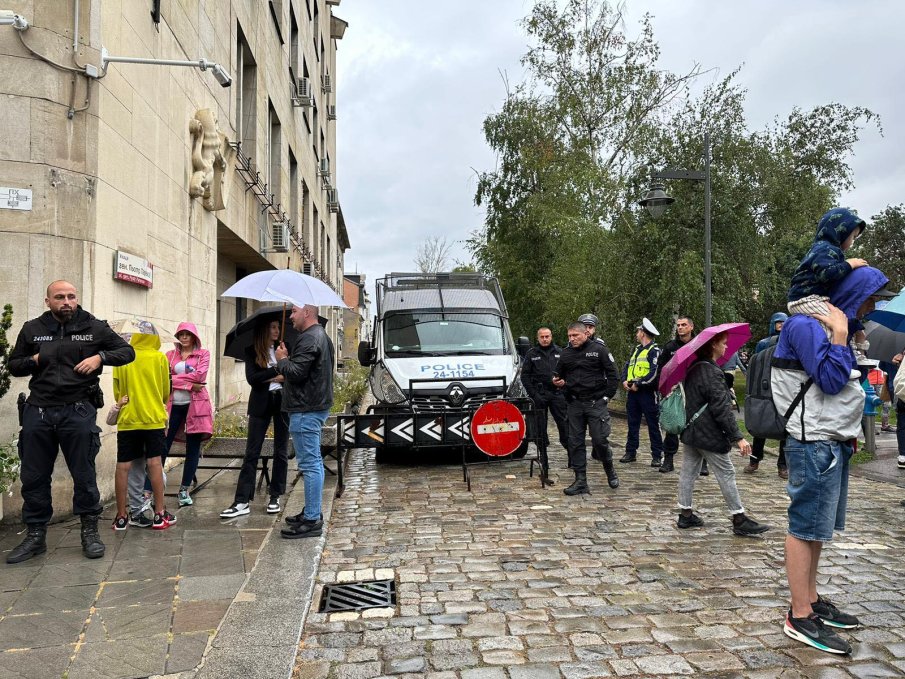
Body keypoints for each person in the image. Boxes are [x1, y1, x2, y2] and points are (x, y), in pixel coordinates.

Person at [774, 266, 895, 654]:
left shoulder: (828, 325)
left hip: (830, 439)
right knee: (804, 525)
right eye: (868, 295)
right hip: (813, 442)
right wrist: (841, 335)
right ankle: (800, 614)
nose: (872, 304)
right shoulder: (808, 326)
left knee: (818, 528)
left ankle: (811, 600)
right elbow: (828, 379)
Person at [6, 281, 135, 564]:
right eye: (60, 297)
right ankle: (35, 535)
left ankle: (89, 531)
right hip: (39, 410)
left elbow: (127, 353)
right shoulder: (33, 329)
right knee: (34, 476)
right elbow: (13, 365)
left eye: (71, 297)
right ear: (48, 301)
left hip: (77, 410)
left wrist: (99, 357)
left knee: (84, 474)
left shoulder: (94, 326)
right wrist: (35, 360)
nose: (67, 301)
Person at [675, 330, 769, 537]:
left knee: (688, 472)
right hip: (709, 433)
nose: (726, 347)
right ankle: (739, 518)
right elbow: (720, 410)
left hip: (692, 430)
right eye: (724, 344)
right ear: (713, 345)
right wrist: (738, 437)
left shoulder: (693, 368)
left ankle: (685, 513)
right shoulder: (712, 372)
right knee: (726, 472)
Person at [220, 320, 291, 518]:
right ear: (264, 328)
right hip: (261, 403)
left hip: (282, 402)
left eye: (278, 327)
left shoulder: (284, 349)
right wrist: (277, 371)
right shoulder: (251, 351)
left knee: (281, 451)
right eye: (273, 326)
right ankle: (242, 500)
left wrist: (274, 371)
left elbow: (291, 376)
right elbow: (253, 379)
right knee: (252, 452)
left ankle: (275, 495)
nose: (277, 330)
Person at [277, 304, 334, 539]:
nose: (290, 317)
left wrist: (281, 360)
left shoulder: (310, 337)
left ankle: (311, 520)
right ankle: (311, 511)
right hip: (311, 406)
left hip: (305, 408)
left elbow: (297, 372)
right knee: (313, 463)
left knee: (310, 464)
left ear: (307, 313)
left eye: (294, 312)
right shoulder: (318, 335)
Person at [111, 328, 173, 530]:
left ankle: (121, 516)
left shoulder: (123, 357)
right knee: (154, 464)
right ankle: (159, 514)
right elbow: (165, 390)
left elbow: (117, 392)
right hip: (153, 418)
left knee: (123, 466)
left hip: (129, 419)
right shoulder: (159, 357)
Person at [552, 321, 620, 494]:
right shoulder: (566, 354)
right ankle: (581, 480)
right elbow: (558, 375)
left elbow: (613, 375)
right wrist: (558, 382)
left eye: (575, 335)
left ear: (585, 334)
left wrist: (607, 397)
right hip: (575, 404)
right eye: (569, 336)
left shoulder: (599, 350)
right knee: (575, 443)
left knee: (599, 441)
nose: (572, 339)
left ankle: (609, 468)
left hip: (596, 403)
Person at [153, 323, 213, 507]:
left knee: (193, 449)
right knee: (162, 445)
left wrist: (176, 380)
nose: (184, 337)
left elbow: (200, 377)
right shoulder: (169, 356)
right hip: (172, 406)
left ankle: (184, 490)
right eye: (181, 334)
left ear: (194, 336)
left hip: (196, 406)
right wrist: (187, 384)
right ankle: (151, 491)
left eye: (188, 334)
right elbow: (165, 380)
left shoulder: (204, 354)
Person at [787, 207, 867, 318]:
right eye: (853, 237)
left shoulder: (825, 248)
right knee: (835, 322)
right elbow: (827, 274)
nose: (852, 243)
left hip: (812, 299)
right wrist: (850, 264)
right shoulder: (825, 249)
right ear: (841, 232)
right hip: (805, 299)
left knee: (840, 318)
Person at [745, 312, 790, 478]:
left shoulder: (790, 343)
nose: (781, 326)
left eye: (784, 323)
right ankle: (755, 459)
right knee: (760, 423)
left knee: (785, 427)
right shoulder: (763, 343)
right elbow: (756, 365)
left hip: (783, 388)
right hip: (764, 386)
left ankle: (782, 464)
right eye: (778, 323)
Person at [620, 318, 664, 467]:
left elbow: (654, 373)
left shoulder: (655, 351)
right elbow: (627, 366)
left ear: (643, 333)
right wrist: (624, 380)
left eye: (638, 331)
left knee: (653, 424)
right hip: (633, 393)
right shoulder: (636, 350)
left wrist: (639, 384)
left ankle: (657, 455)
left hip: (647, 393)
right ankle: (631, 452)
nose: (637, 333)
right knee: (632, 424)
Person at [520, 327, 569, 455]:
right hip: (539, 394)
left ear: (551, 336)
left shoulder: (560, 352)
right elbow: (524, 376)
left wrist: (564, 384)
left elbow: (569, 372)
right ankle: (543, 455)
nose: (545, 339)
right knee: (540, 427)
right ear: (538, 338)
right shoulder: (532, 354)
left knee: (564, 425)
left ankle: (571, 453)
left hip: (557, 394)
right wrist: (533, 394)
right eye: (542, 337)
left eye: (547, 336)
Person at [658, 316, 696, 473]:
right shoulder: (670, 347)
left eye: (684, 325)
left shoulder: (699, 345)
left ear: (691, 327)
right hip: (676, 390)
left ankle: (702, 462)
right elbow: (661, 368)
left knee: (698, 425)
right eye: (678, 325)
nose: (680, 327)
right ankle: (668, 459)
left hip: (694, 389)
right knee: (672, 425)